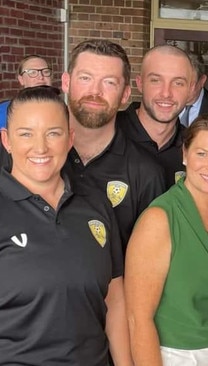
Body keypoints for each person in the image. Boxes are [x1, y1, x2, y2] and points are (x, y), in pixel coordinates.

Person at [0, 86, 130, 365]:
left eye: (53, 133)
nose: (40, 147)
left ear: (70, 139)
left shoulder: (95, 203)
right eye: (25, 134)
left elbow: (115, 296)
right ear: (6, 140)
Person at [125, 114, 208, 366]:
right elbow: (138, 319)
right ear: (185, 154)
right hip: (181, 356)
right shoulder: (159, 219)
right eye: (202, 153)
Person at [61, 39, 166, 248]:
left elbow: (151, 257)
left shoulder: (145, 172)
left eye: (109, 82)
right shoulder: (31, 155)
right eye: (85, 78)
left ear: (126, 94)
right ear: (66, 82)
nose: (95, 91)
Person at [117, 45, 195, 188]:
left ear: (190, 90)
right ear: (140, 84)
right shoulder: (109, 134)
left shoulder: (194, 147)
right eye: (156, 80)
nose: (166, 93)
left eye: (178, 83)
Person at [1, 55, 54, 128]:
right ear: (21, 79)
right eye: (32, 72)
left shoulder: (62, 110)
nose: (41, 77)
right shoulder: (4, 111)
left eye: (45, 72)